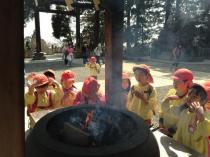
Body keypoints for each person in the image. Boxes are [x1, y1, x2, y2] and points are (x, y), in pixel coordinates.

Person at [173, 83, 210, 157]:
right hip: (182, 149)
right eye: (189, 94)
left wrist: (201, 118)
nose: (189, 98)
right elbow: (180, 130)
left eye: (194, 97)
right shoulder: (184, 111)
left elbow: (207, 132)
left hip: (196, 152)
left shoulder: (206, 115)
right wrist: (175, 143)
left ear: (203, 102)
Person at [159, 68, 193, 136]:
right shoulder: (171, 92)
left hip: (176, 134)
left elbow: (184, 121)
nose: (174, 84)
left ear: (188, 83)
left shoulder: (189, 100)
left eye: (178, 82)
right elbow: (162, 110)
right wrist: (161, 122)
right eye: (174, 81)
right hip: (164, 128)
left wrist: (169, 131)